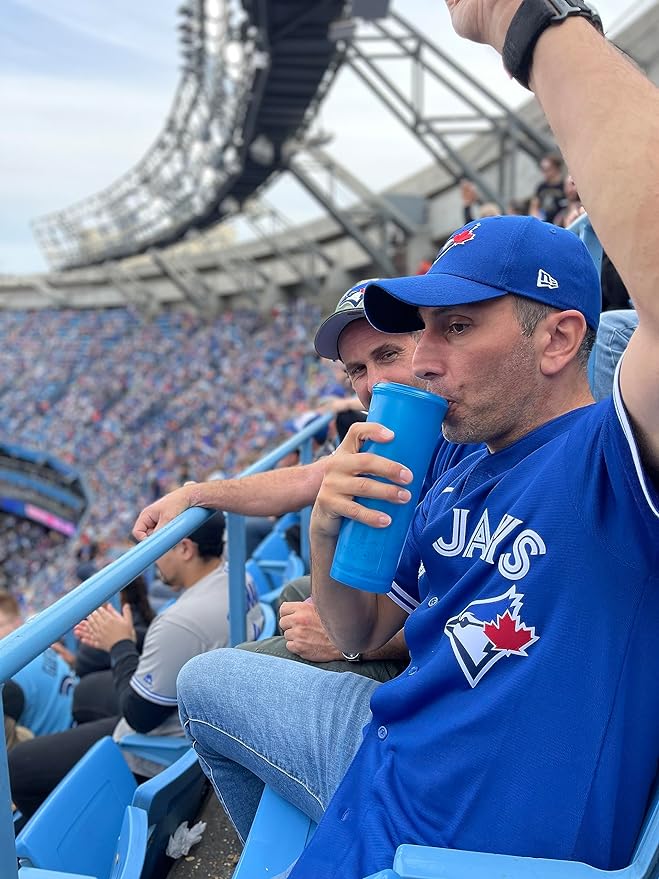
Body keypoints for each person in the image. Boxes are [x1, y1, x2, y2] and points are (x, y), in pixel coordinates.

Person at [176, 4, 659, 878]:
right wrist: (326, 536)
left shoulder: (615, 456)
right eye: (418, 330)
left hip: (463, 846)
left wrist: (531, 24)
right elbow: (359, 633)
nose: (418, 363)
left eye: (456, 328)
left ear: (556, 340)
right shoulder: (456, 458)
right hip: (386, 758)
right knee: (204, 681)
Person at [8, 512, 262, 819]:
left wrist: (120, 645)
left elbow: (140, 717)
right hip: (212, 701)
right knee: (87, 691)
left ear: (185, 549)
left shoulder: (180, 621)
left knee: (18, 766)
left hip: (165, 742)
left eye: (160, 546)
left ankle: (89, 816)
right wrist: (128, 637)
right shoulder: (237, 573)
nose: (153, 558)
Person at [0, 593, 77, 737]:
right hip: (80, 723)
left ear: (16, 623)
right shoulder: (42, 644)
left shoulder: (9, 674)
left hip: (64, 744)